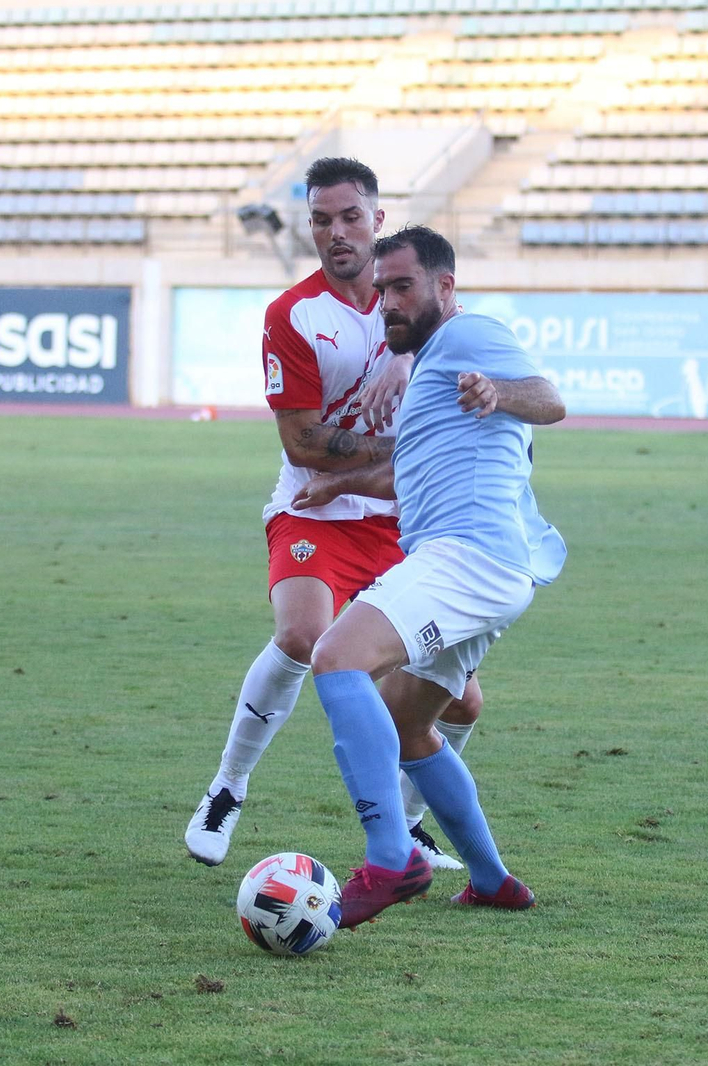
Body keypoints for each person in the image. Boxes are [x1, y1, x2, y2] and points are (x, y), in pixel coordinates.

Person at [184, 158, 484, 871]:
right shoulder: (293, 315)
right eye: (322, 220)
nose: (337, 232)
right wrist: (397, 445)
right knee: (301, 634)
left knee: (461, 702)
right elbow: (303, 444)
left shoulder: (411, 298)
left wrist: (404, 362)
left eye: (351, 217)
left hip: (403, 520)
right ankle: (227, 787)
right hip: (315, 512)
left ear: (377, 219)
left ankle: (411, 826)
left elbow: (457, 349)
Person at [296, 224, 567, 929]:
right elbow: (410, 472)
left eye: (403, 286)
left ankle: (392, 858)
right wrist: (340, 485)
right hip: (490, 567)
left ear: (444, 286)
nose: (387, 300)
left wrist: (499, 390)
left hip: (468, 556)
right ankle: (492, 881)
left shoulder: (470, 334)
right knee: (407, 723)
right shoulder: (432, 368)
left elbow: (549, 399)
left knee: (336, 657)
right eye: (382, 289)